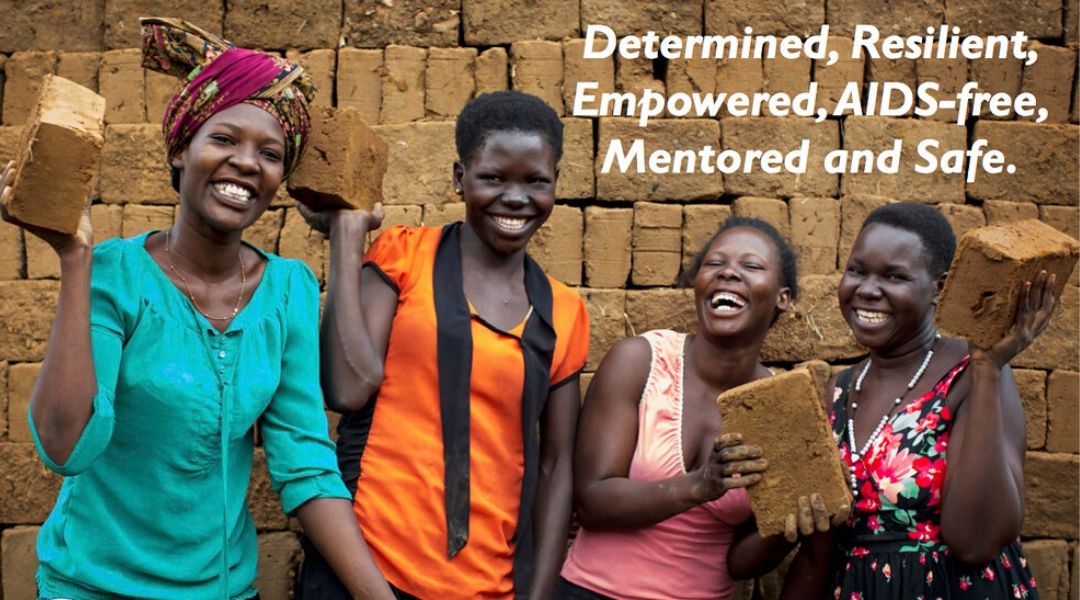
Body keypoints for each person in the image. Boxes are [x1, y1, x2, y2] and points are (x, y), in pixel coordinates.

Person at [0, 17, 393, 600]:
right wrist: (74, 259)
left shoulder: (288, 289)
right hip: (91, 586)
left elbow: (305, 463)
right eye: (224, 139)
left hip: (224, 589)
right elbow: (65, 446)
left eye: (270, 153)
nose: (246, 163)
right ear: (182, 150)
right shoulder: (115, 273)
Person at [296, 90, 590, 599]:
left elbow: (557, 464)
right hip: (366, 566)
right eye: (493, 178)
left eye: (535, 181)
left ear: (555, 184)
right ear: (459, 177)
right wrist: (347, 236)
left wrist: (539, 593)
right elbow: (346, 388)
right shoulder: (404, 255)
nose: (516, 198)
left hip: (485, 583)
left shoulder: (563, 313)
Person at [559, 217, 838, 599]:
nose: (728, 273)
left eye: (751, 266)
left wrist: (794, 524)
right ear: (698, 284)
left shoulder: (782, 405)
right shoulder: (639, 361)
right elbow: (592, 503)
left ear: (782, 297)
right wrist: (701, 486)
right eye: (714, 264)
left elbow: (740, 563)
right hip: (592, 592)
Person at [793, 202, 1047, 599]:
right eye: (857, 271)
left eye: (894, 276)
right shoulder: (838, 392)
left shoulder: (973, 374)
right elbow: (820, 549)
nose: (867, 290)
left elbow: (975, 542)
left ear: (939, 288)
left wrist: (986, 369)